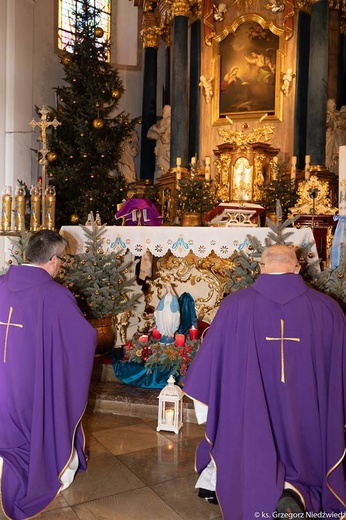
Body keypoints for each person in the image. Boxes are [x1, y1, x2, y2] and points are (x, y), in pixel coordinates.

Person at [183, 244, 346, 519]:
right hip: (309, 418)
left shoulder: (234, 307)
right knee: (308, 448)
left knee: (247, 448)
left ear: (261, 268)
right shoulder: (328, 310)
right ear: (297, 268)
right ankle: (300, 492)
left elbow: (208, 370)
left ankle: (259, 492)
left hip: (250, 414)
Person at [0, 230, 97, 520]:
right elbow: (83, 338)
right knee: (39, 417)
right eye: (62, 260)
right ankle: (46, 468)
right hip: (31, 384)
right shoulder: (54, 294)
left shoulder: (1, 284)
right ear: (53, 260)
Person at [147, 105, 171, 176]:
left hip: (166, 142)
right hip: (161, 141)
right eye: (163, 109)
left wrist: (154, 129)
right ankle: (164, 172)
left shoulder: (168, 120)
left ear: (169, 112)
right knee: (160, 158)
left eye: (165, 109)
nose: (163, 111)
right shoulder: (162, 120)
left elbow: (161, 130)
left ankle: (167, 171)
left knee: (163, 158)